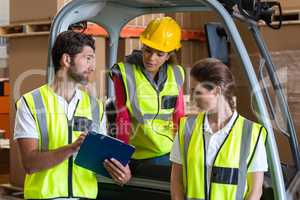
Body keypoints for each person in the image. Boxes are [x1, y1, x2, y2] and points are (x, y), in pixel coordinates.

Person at [14, 31, 131, 200]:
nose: (92, 66)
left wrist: (121, 173)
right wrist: (72, 148)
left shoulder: (95, 107)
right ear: (67, 60)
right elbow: (30, 164)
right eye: (88, 58)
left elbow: (101, 160)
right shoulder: (31, 103)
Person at [170, 58, 268, 200]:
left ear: (217, 90)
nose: (192, 98)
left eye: (197, 92)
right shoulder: (186, 128)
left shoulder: (252, 133)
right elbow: (176, 183)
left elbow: (255, 191)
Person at [110, 17, 185, 170]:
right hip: (138, 154)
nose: (151, 58)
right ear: (142, 46)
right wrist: (121, 159)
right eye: (148, 50)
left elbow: (179, 115)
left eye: (160, 54)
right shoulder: (125, 72)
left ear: (169, 55)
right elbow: (122, 117)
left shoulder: (177, 73)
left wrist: (182, 151)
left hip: (168, 151)